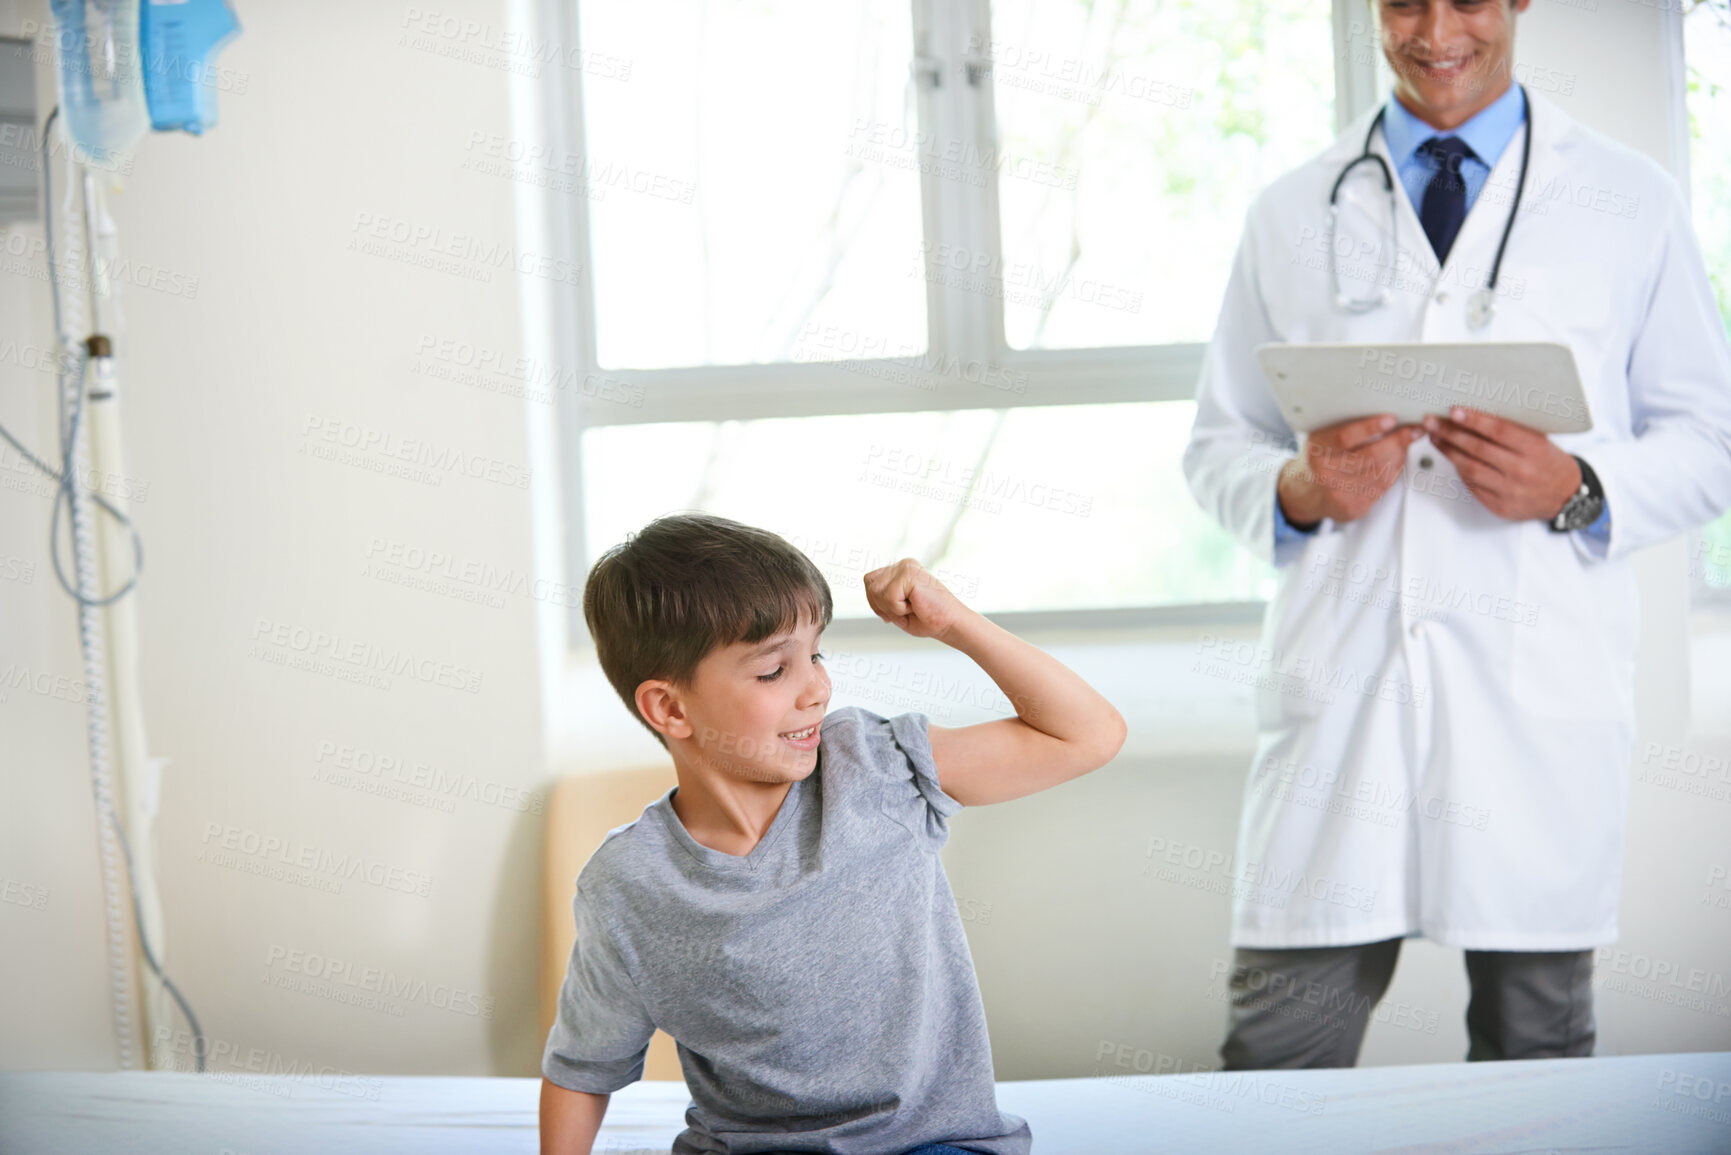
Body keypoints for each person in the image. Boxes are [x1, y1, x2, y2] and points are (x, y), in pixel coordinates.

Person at [1182, 0, 1731, 1069]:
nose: (1435, 30)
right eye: (1401, 2)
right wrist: (1298, 487)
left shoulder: (1630, 199)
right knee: (1272, 1073)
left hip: (1535, 701)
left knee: (1538, 1068)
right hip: (1342, 701)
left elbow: (1713, 439)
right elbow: (1217, 445)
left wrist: (1577, 486)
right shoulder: (1291, 210)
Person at [538, 513, 1126, 1154]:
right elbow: (583, 1069)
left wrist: (955, 623)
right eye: (773, 671)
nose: (816, 687)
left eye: (815, 653)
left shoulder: (875, 765)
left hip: (926, 1147)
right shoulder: (628, 883)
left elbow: (1087, 736)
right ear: (670, 708)